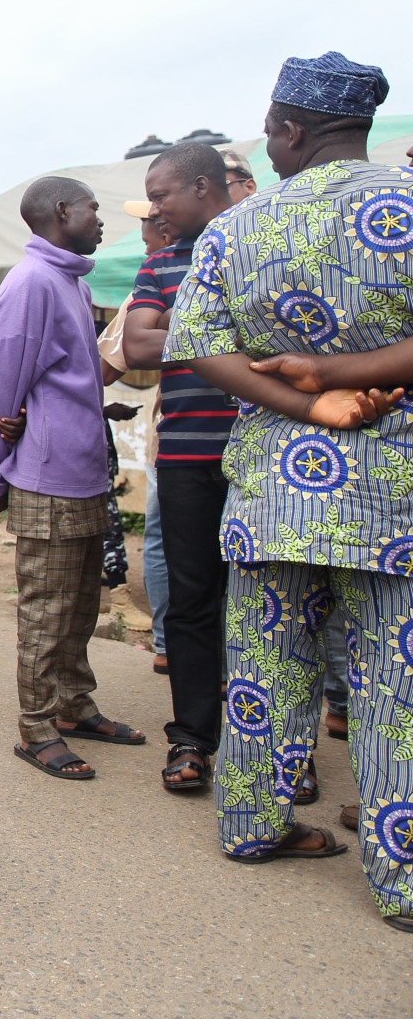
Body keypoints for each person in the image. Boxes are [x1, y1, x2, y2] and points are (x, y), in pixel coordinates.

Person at [164, 52, 413, 923]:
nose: (267, 146)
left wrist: (309, 399)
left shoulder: (237, 227)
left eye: (270, 130)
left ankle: (251, 824)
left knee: (266, 665)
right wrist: (341, 382)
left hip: (274, 487)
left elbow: (198, 344)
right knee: (393, 684)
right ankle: (402, 878)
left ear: (292, 129)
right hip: (390, 491)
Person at [0, 177, 144, 781]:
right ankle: (38, 726)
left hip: (84, 471)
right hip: (46, 478)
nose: (101, 219)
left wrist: (96, 409)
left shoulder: (73, 281)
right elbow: (5, 385)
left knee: (79, 605)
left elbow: (69, 378)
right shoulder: (30, 283)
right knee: (47, 609)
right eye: (94, 209)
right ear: (62, 211)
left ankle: (74, 704)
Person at [118, 143, 242, 794]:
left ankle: (281, 751)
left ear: (201, 185)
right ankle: (192, 741)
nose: (156, 211)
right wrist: (228, 338)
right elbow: (137, 344)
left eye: (161, 196)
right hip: (187, 458)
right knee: (191, 604)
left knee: (265, 605)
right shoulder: (161, 263)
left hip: (257, 456)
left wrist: (181, 329)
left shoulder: (259, 249)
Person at [111, 208, 174, 670]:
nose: (144, 231)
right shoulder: (153, 277)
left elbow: (111, 359)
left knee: (165, 540)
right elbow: (129, 348)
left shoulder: (156, 278)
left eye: (151, 219)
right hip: (182, 437)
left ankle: (171, 646)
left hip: (178, 440)